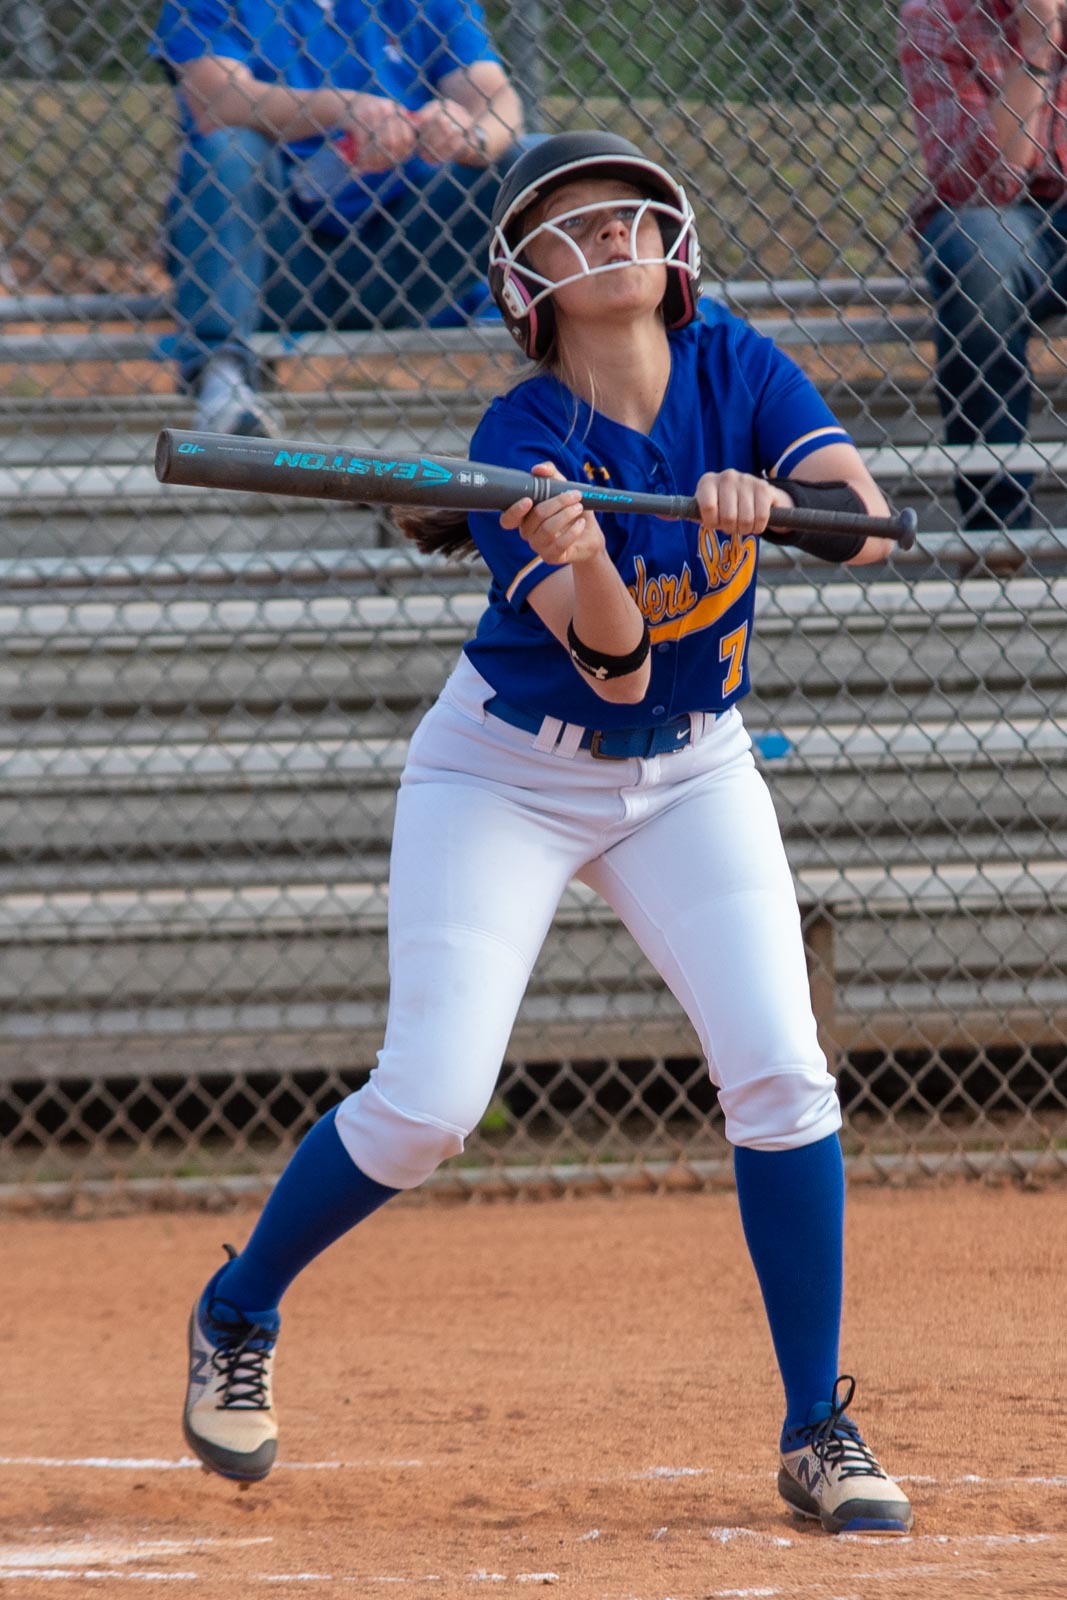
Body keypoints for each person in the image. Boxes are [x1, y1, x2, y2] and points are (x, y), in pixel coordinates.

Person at [180, 131, 914, 1538]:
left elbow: (869, 526)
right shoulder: (518, 441)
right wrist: (579, 553)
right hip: (504, 773)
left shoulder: (736, 365)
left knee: (780, 1074)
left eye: (626, 217)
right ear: (530, 285)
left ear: (670, 245)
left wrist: (775, 505)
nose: (606, 241)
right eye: (569, 232)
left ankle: (814, 1427)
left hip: (693, 771)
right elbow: (615, 671)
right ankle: (238, 1306)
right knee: (429, 1104)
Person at [154, 0, 527, 436]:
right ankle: (223, 387)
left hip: (404, 258)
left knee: (521, 163)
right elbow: (216, 100)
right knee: (229, 149)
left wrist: (467, 134)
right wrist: (344, 108)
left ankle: (558, 388)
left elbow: (499, 101)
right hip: (272, 267)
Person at [899, 0, 1067, 531]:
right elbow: (972, 184)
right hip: (996, 218)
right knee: (977, 258)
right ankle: (998, 531)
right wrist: (1037, 47)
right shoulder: (937, 16)